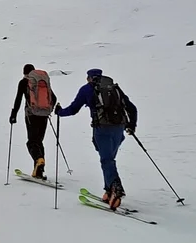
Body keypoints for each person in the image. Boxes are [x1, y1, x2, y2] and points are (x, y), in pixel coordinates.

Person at [55, 68, 137, 209]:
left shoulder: (86, 89)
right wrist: (131, 125)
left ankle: (116, 188)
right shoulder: (115, 88)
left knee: (107, 160)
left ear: (89, 78)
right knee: (109, 160)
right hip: (119, 129)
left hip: (102, 129)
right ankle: (108, 190)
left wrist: (59, 112)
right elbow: (132, 108)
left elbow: (74, 109)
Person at [9, 64, 57, 179]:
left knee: (31, 142)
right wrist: (48, 109)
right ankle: (39, 171)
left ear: (24, 72)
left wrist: (13, 115)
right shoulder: (42, 82)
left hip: (32, 115)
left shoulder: (24, 82)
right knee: (39, 141)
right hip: (44, 114)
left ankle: (38, 160)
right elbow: (54, 98)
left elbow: (18, 99)